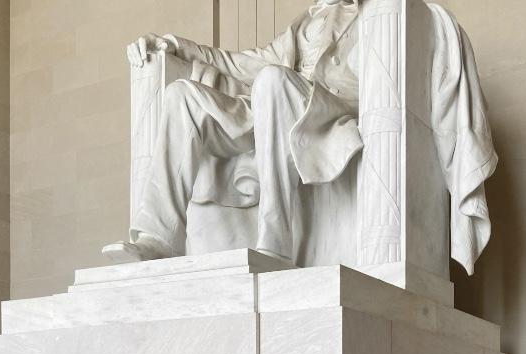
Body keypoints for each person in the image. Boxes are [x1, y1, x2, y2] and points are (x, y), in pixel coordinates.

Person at [109, 0, 363, 264]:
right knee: (181, 95)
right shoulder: (303, 23)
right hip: (270, 105)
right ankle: (159, 237)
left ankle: (275, 243)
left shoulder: (371, 12)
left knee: (272, 80)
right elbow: (243, 63)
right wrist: (176, 45)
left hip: (325, 110)